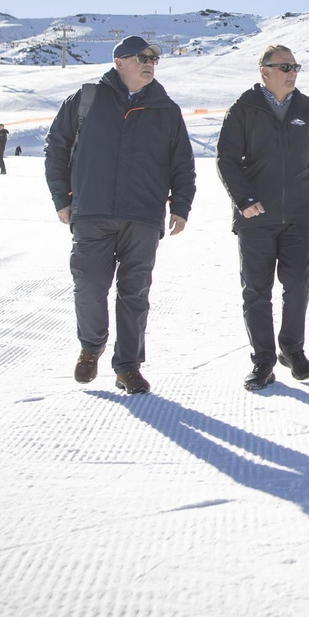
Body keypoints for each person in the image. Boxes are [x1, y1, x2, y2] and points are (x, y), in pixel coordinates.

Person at [45, 36, 196, 395]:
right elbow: (57, 148)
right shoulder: (86, 100)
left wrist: (181, 206)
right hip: (92, 210)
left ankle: (128, 366)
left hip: (143, 215)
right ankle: (91, 345)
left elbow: (182, 163)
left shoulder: (165, 109)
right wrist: (61, 198)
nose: (149, 63)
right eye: (141, 57)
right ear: (119, 62)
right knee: (89, 286)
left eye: (153, 59)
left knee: (135, 294)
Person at [216, 45, 309, 391]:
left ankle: (292, 348)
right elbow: (226, 160)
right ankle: (263, 360)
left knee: (298, 285)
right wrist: (244, 199)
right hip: (256, 217)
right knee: (257, 290)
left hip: (299, 216)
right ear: (264, 71)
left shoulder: (307, 111)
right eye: (285, 66)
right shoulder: (244, 109)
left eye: (295, 66)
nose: (292, 71)